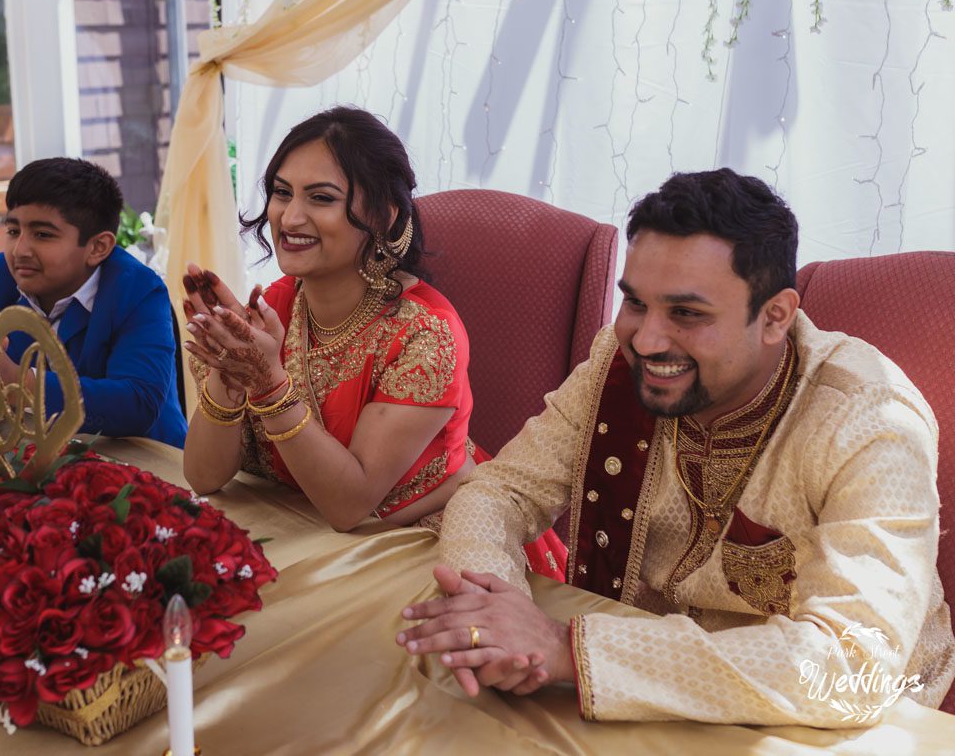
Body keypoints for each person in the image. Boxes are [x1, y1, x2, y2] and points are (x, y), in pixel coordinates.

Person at [397, 168, 955, 726]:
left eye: (686, 313)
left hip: (835, 723)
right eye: (635, 303)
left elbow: (853, 662)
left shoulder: (869, 422)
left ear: (775, 317)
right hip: (632, 688)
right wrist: (494, 614)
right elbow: (498, 492)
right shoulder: (618, 365)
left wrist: (569, 649)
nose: (646, 340)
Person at [179, 107, 491, 536]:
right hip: (302, 530)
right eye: (282, 192)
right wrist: (229, 372)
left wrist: (268, 384)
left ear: (384, 216)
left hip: (422, 539)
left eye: (321, 198)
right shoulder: (277, 306)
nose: (289, 218)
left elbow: (348, 506)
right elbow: (203, 477)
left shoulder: (426, 335)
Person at [0, 157, 187, 447]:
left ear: (98, 247)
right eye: (13, 231)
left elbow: (138, 403)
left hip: (146, 460)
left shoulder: (138, 289)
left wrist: (23, 384)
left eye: (43, 235)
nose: (20, 250)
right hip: (33, 457)